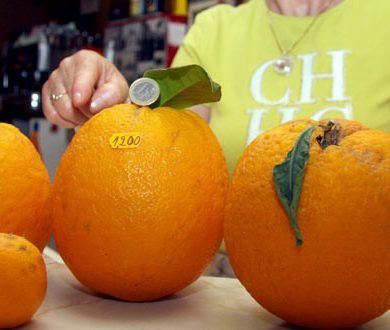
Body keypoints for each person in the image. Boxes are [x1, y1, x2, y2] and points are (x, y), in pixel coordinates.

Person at [42, 0, 390, 275]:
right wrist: (112, 107)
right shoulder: (215, 28)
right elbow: (168, 154)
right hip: (234, 282)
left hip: (366, 277)